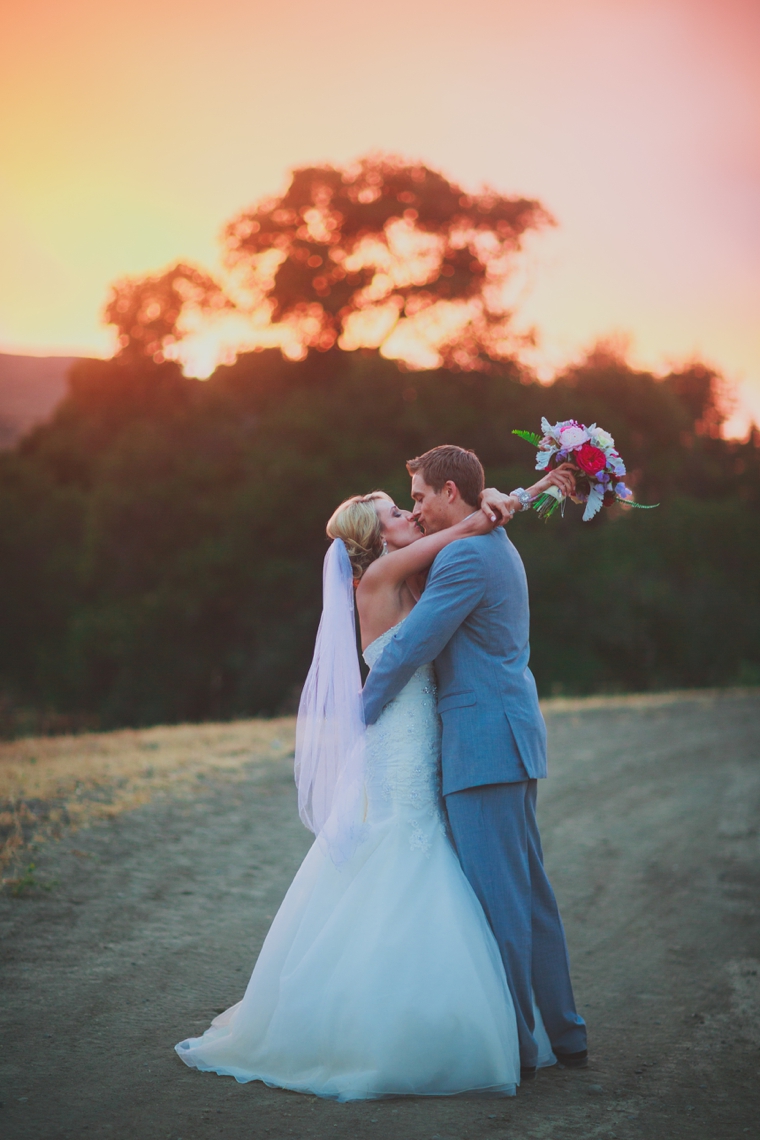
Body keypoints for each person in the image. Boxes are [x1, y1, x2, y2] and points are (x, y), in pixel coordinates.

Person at [175, 453, 575, 1099]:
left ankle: (460, 1013)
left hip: (433, 733)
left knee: (433, 860)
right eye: (396, 511)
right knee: (409, 852)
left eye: (414, 500)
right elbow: (460, 533)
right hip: (398, 732)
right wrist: (499, 503)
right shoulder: (384, 575)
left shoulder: (414, 573)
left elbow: (466, 534)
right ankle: (397, 1018)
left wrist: (514, 497)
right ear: (376, 538)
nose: (410, 512)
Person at [362, 445, 588, 1078]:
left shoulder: (464, 552)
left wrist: (358, 713)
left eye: (421, 498)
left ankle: (515, 1045)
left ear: (452, 494)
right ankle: (566, 1034)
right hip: (508, 738)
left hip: (484, 745)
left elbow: (413, 643)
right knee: (530, 894)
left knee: (501, 903)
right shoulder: (489, 539)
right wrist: (527, 488)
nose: (417, 508)